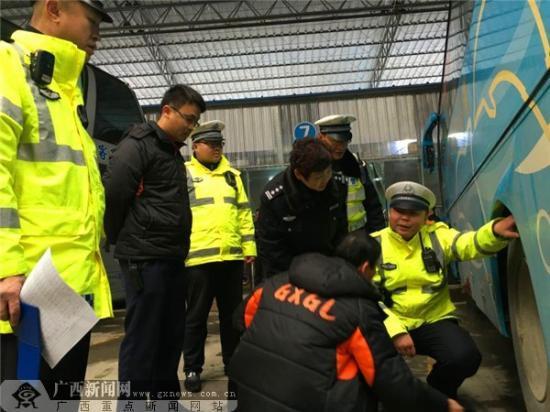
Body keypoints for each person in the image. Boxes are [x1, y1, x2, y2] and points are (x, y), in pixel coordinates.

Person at [0, 0, 112, 400]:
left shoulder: (65, 90)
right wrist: (6, 270)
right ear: (54, 9)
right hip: (24, 297)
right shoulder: (9, 66)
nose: (97, 33)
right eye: (92, 20)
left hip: (67, 296)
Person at [229, 230, 464, 412]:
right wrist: (442, 404)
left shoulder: (276, 283)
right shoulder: (360, 311)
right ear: (365, 268)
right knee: (367, 376)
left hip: (249, 396)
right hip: (311, 403)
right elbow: (392, 382)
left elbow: (240, 321)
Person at [103, 84, 206, 399]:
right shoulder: (137, 146)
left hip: (171, 257)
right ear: (167, 111)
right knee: (143, 341)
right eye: (188, 119)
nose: (191, 127)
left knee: (170, 337)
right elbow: (115, 195)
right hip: (145, 260)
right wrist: (123, 237)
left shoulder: (171, 151)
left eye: (195, 122)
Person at [371, 181, 519, 399]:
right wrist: (396, 331)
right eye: (398, 211)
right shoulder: (373, 244)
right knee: (365, 365)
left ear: (426, 216)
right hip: (390, 322)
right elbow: (368, 296)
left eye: (413, 213)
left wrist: (495, 231)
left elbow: (468, 244)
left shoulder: (437, 236)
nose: (404, 218)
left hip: (433, 319)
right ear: (389, 211)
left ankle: (438, 394)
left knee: (465, 358)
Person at [182, 120, 256, 393]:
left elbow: (244, 214)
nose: (216, 148)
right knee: (196, 317)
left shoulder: (232, 176)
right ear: (195, 146)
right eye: (211, 144)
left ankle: (232, 362)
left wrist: (249, 248)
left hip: (231, 258)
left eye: (219, 144)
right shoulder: (184, 173)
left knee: (232, 317)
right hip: (198, 260)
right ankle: (192, 368)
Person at [255, 138, 347, 278]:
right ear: (298, 174)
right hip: (287, 271)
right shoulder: (276, 198)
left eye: (328, 172)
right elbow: (272, 249)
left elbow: (341, 231)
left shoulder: (337, 186)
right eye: (318, 177)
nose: (324, 180)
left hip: (327, 267)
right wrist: (301, 277)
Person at [315, 114, 386, 233]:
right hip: (326, 239)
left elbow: (373, 205)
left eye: (345, 141)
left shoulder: (356, 165)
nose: (341, 147)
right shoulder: (312, 167)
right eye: (335, 141)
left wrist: (377, 236)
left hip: (359, 236)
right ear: (321, 137)